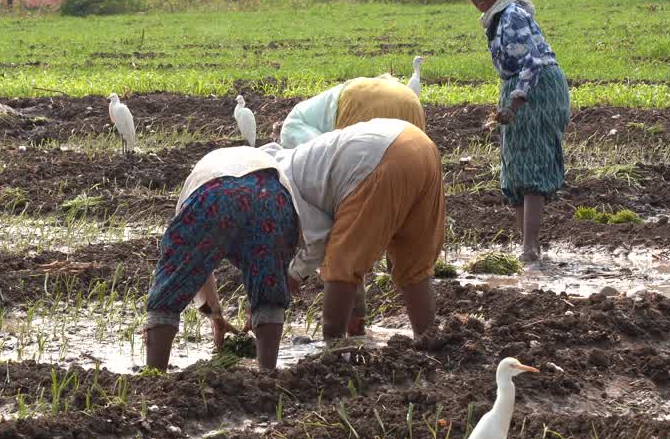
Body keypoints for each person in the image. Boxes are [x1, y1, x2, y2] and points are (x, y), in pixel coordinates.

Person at [267, 117, 445, 343]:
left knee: (340, 262)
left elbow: (319, 240)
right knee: (414, 263)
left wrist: (291, 277)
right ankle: (428, 339)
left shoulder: (281, 181)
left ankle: (333, 348)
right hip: (420, 146)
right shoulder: (298, 161)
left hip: (381, 159)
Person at [143, 146, 301, 372]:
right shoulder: (273, 170)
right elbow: (281, 255)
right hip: (270, 197)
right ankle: (268, 373)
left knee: (169, 289)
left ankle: (154, 377)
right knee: (270, 291)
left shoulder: (204, 172)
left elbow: (195, 266)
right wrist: (248, 312)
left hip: (212, 194)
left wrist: (213, 314)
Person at [467, 0, 570, 263]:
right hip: (519, 87)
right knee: (515, 167)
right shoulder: (497, 18)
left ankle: (530, 246)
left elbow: (533, 63)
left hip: (535, 89)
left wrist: (514, 104)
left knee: (531, 163)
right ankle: (526, 246)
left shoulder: (512, 16)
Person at [279, 75, 425, 149]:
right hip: (409, 99)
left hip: (358, 102)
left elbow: (319, 151)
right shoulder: (305, 111)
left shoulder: (290, 128)